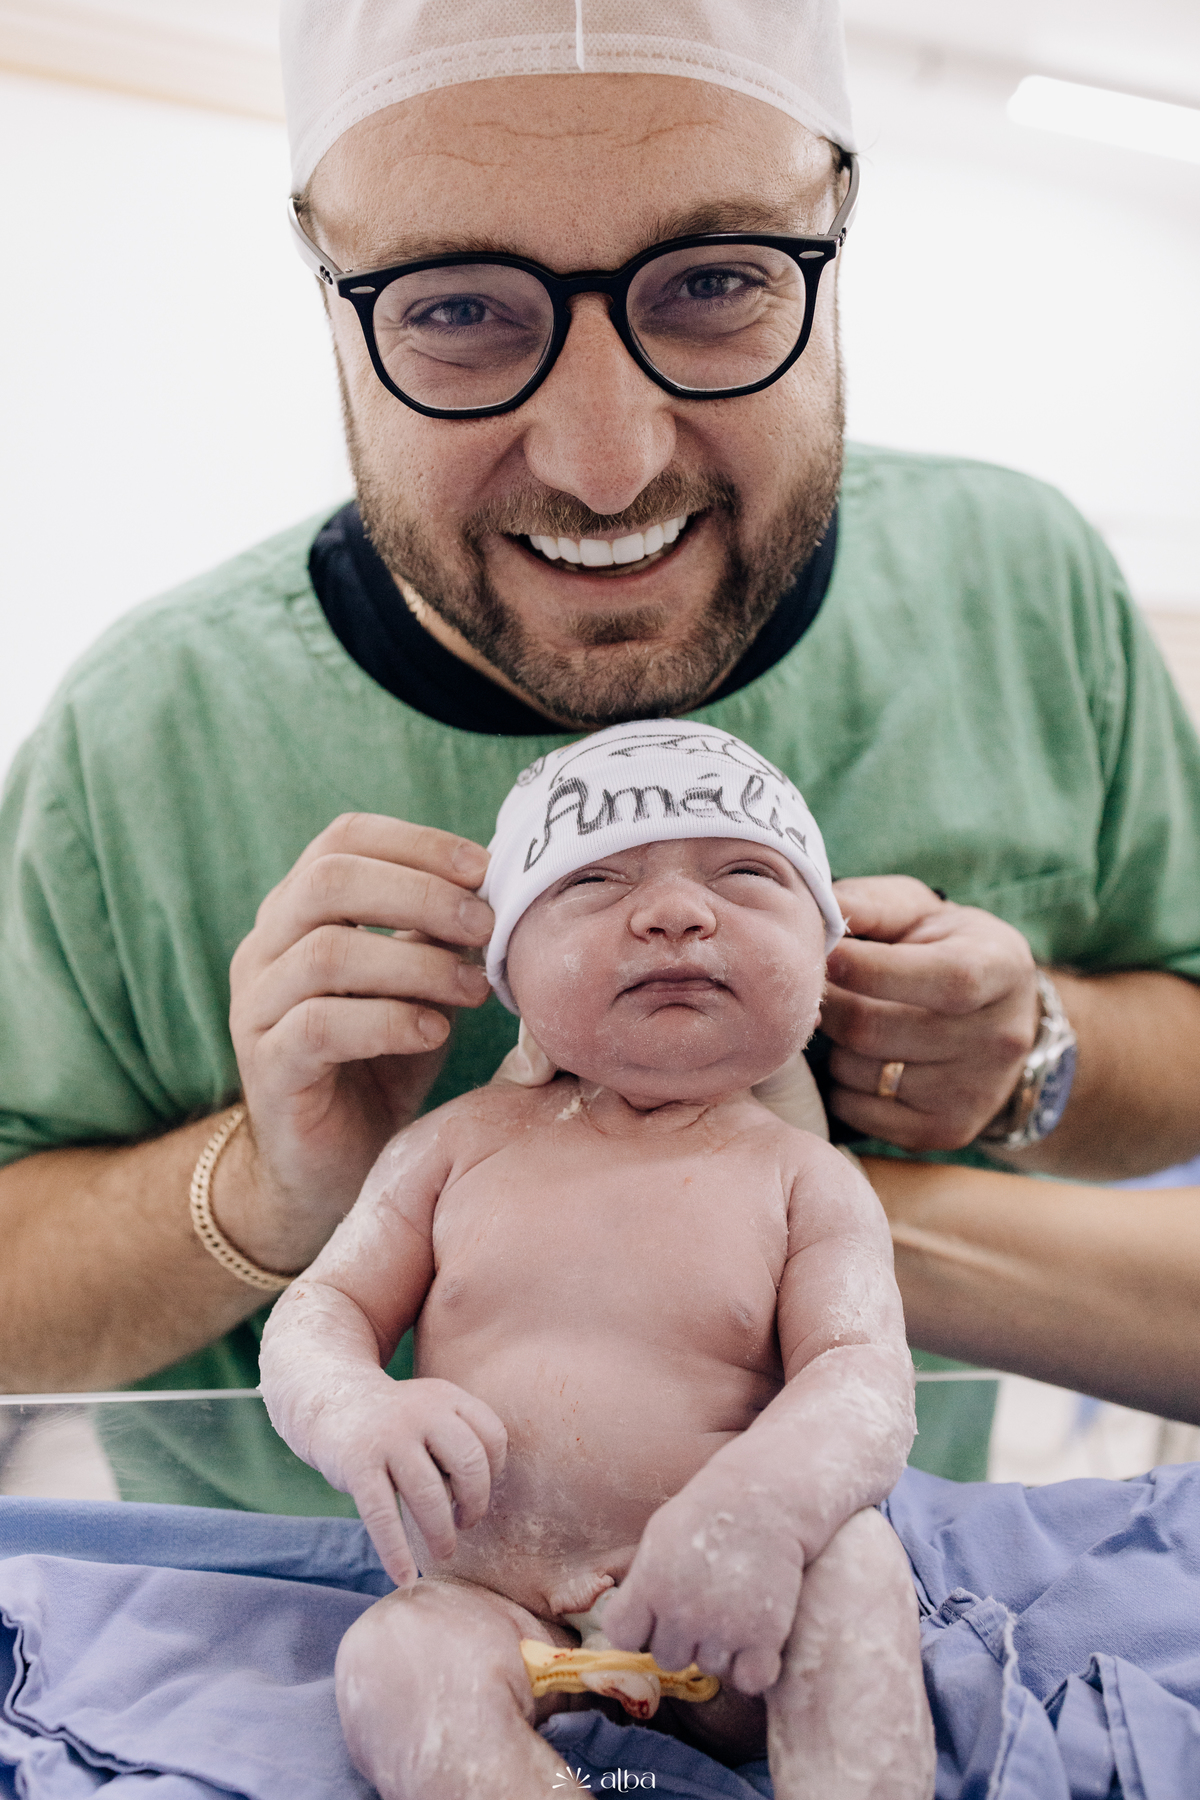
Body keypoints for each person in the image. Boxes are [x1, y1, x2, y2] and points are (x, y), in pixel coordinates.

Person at [3, 0, 1200, 1507]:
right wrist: (265, 1184)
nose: (606, 461)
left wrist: (1035, 1058)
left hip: (857, 1587)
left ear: (836, 230)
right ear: (326, 297)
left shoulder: (1019, 594)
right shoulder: (149, 741)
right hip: (303, 1650)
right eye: (455, 308)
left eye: (714, 282)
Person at [261, 722, 934, 1800]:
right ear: (507, 968)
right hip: (498, 1609)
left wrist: (762, 1507)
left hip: (744, 1610)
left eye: (747, 873)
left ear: (823, 959)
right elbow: (320, 1309)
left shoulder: (807, 1181)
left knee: (857, 1572)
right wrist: (355, 1409)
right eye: (595, 879)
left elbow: (862, 1379)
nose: (674, 909)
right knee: (394, 1663)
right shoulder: (450, 1147)